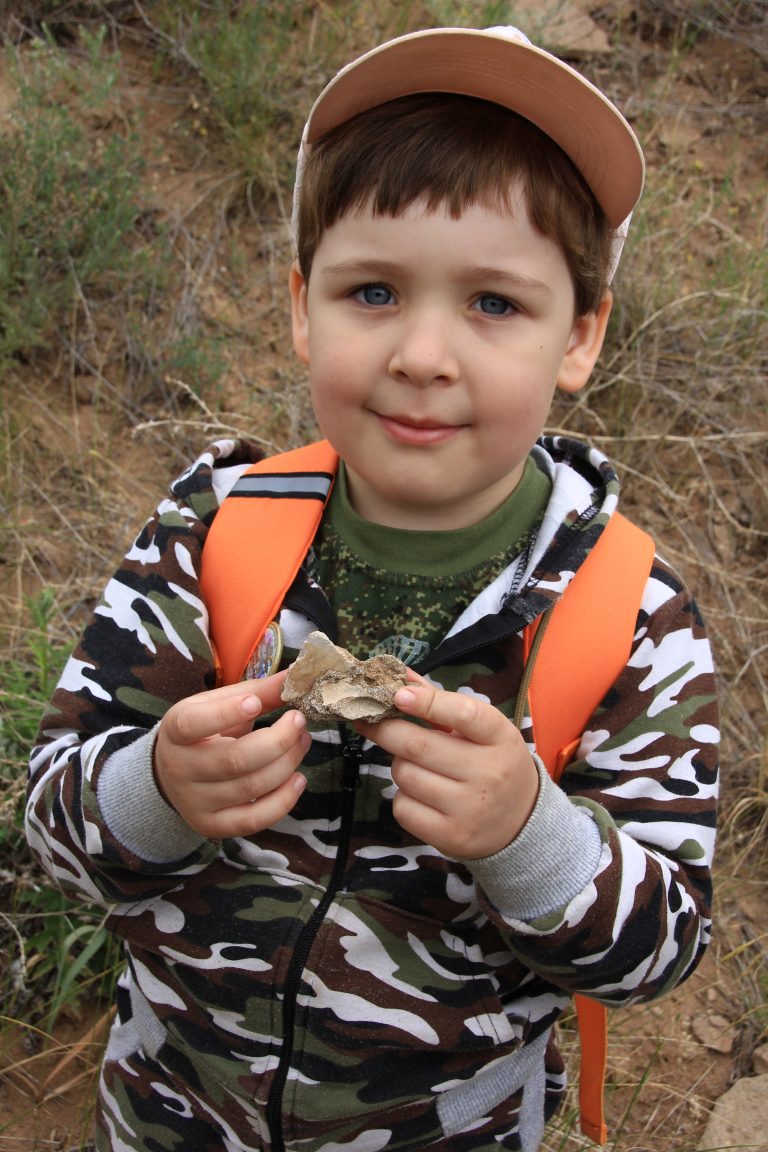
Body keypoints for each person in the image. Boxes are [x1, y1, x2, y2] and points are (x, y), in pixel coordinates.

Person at [27, 25, 719, 1152]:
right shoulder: (214, 533)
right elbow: (53, 830)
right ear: (304, 308)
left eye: (495, 304)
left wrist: (527, 833)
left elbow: (662, 951)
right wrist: (159, 786)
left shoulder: (630, 618)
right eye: (375, 291)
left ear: (580, 336)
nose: (423, 355)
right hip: (170, 1114)